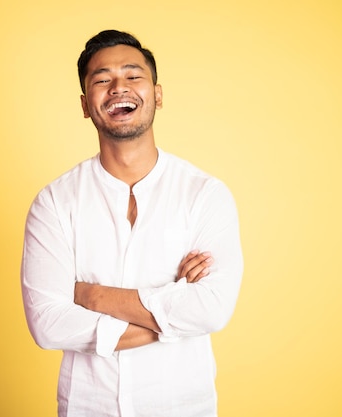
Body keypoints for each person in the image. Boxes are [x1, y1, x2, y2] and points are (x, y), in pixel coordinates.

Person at [21, 29, 243, 417]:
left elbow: (211, 309)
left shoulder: (205, 194)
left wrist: (90, 295)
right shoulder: (55, 202)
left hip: (183, 407)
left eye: (133, 75)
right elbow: (48, 324)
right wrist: (174, 311)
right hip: (87, 407)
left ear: (157, 94)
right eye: (102, 80)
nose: (118, 87)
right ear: (85, 104)